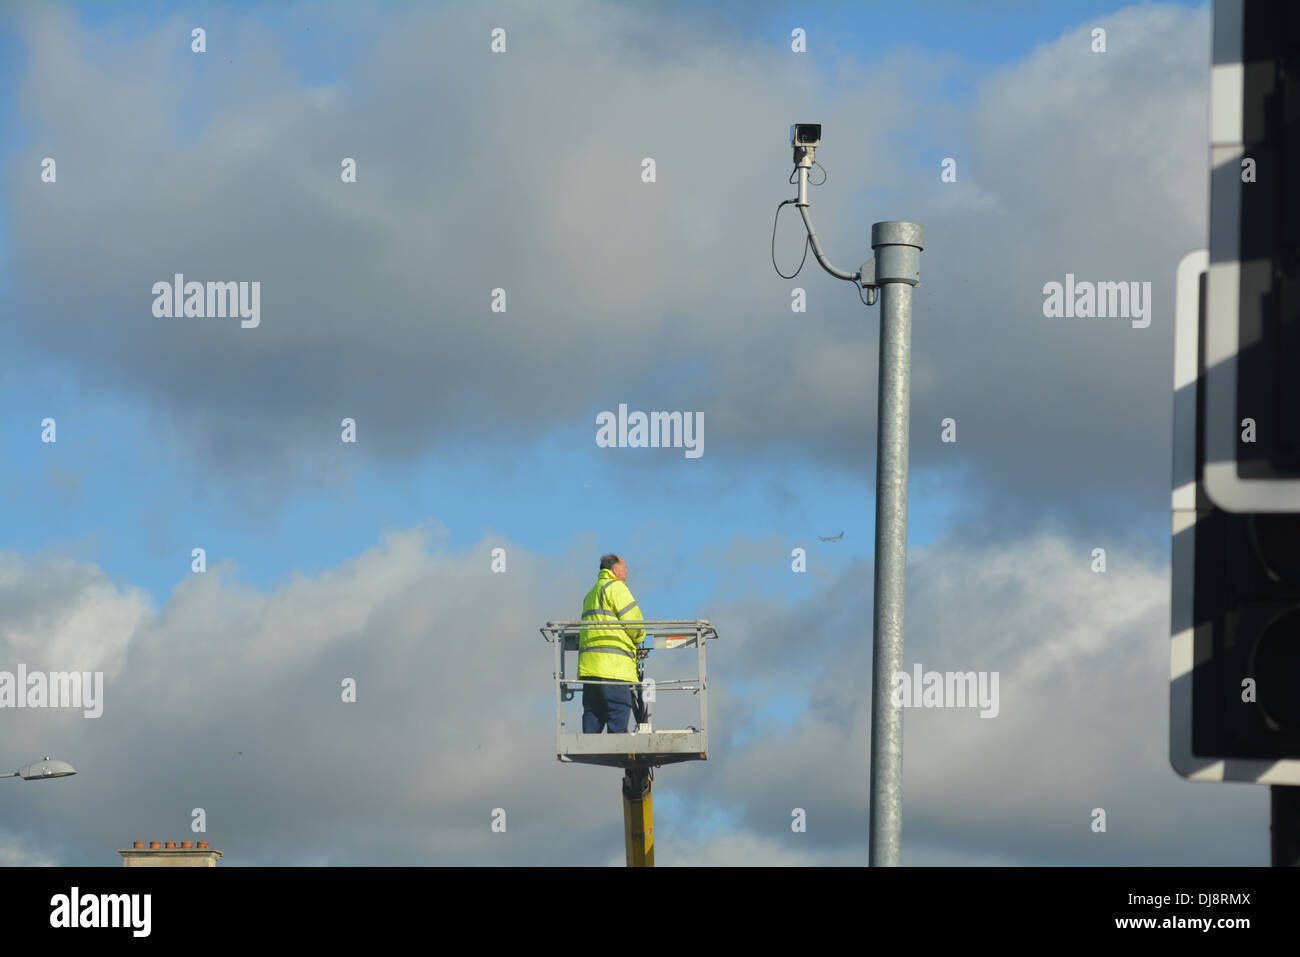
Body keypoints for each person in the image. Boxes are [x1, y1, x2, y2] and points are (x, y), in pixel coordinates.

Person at [579, 554, 646, 733]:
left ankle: (590, 746)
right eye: (625, 568)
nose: (627, 571)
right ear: (615, 570)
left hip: (590, 669)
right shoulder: (616, 588)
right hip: (613, 667)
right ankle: (619, 750)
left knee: (594, 712)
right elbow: (634, 623)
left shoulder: (591, 593)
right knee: (619, 709)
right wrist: (639, 638)